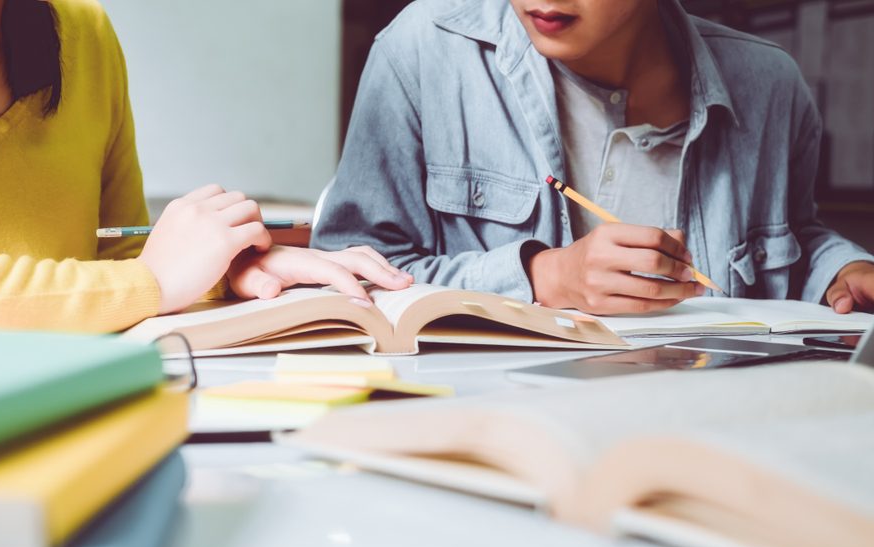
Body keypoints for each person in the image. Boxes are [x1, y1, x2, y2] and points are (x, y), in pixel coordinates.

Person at [0, 0, 411, 334]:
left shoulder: (84, 31)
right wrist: (147, 282)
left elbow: (123, 257)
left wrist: (227, 273)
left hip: (72, 406)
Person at [313, 0, 874, 315]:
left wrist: (838, 271)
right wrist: (543, 277)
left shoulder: (770, 84)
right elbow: (338, 278)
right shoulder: (423, 51)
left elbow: (795, 238)